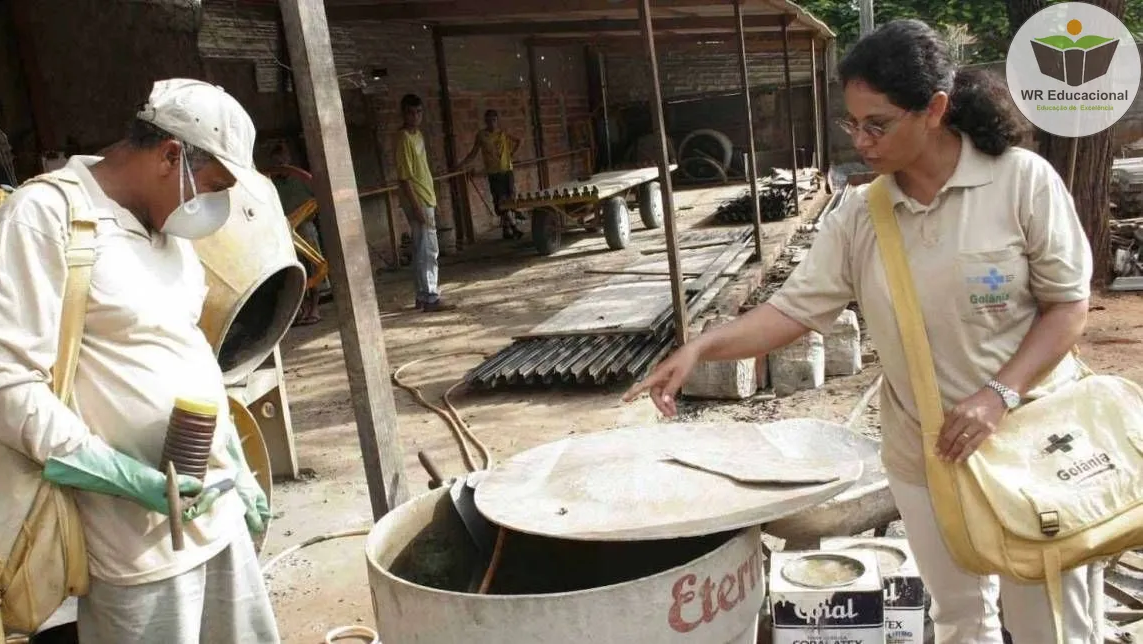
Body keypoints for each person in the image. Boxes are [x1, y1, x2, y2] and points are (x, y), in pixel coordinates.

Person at [624, 19, 1101, 644]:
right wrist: (701, 347)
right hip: (925, 454)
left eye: (877, 124)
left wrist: (999, 395)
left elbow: (1068, 307)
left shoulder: (1020, 182)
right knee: (961, 618)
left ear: (933, 109)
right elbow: (794, 312)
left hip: (1030, 441)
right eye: (852, 124)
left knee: (1050, 623)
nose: (862, 141)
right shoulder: (862, 215)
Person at [0, 79, 279, 643]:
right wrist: (123, 477)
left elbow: (184, 352)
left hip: (216, 522)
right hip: (132, 549)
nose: (216, 204)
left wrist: (238, 465)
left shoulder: (169, 232)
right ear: (170, 155)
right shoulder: (45, 217)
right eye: (214, 184)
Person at [396, 93, 454, 312]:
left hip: (426, 196)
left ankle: (422, 296)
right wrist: (418, 206)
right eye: (411, 112)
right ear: (403, 114)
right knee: (428, 250)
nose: (415, 116)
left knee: (423, 248)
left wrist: (433, 199)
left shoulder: (417, 135)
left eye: (419, 112)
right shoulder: (403, 139)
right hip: (417, 199)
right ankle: (431, 297)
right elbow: (405, 178)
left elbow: (423, 171)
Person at [268, 141, 331, 326]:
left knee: (315, 268)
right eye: (276, 162)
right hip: (282, 233)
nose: (281, 164)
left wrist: (306, 216)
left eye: (283, 160)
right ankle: (300, 309)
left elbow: (319, 200)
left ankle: (314, 308)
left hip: (305, 230)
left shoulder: (301, 180)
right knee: (292, 272)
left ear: (289, 160)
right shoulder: (271, 186)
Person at [457, 109, 523, 239]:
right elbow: (473, 152)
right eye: (488, 121)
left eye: (494, 120)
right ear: (485, 122)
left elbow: (518, 141)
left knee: (510, 199)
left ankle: (506, 229)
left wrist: (511, 154)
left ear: (497, 121)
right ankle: (514, 226)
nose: (491, 123)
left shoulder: (503, 132)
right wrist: (461, 165)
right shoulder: (482, 136)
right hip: (494, 173)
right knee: (500, 201)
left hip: (507, 170)